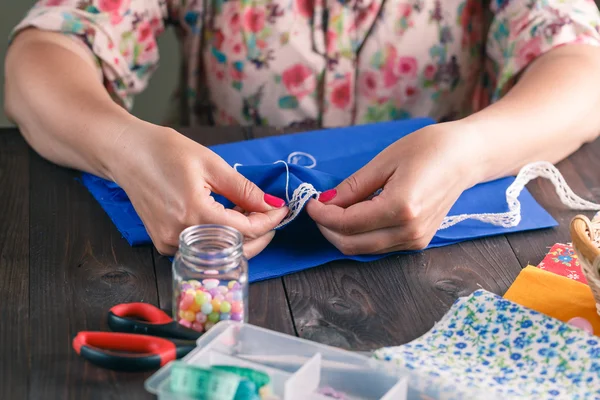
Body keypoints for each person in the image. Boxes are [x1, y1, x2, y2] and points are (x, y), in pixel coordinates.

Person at [5, 0, 600, 258]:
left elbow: (582, 71)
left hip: (442, 262)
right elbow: (42, 57)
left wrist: (469, 150)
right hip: (217, 250)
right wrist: (126, 147)